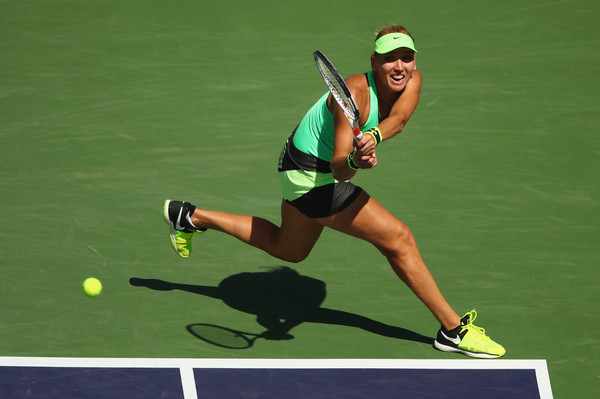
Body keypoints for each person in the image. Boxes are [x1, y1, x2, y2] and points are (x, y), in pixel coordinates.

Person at [163, 25, 505, 358]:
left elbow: (399, 119)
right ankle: (452, 330)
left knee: (290, 250)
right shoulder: (353, 97)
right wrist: (358, 157)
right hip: (309, 175)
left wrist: (375, 137)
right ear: (374, 62)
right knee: (398, 239)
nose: (399, 66)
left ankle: (190, 217)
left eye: (406, 57)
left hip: (297, 162)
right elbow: (340, 168)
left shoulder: (412, 80)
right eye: (390, 59)